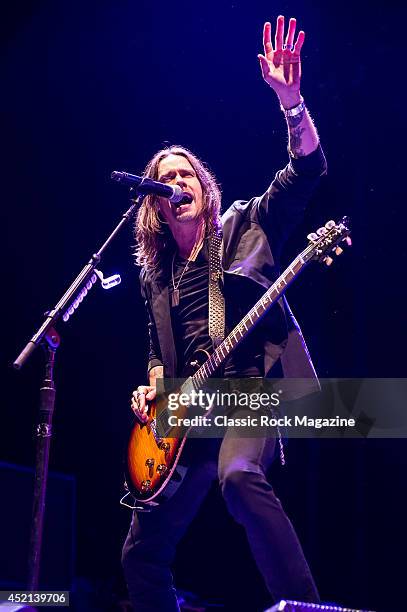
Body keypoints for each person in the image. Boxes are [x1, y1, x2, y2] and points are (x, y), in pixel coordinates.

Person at [122, 15, 327, 611]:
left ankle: (303, 605)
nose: (175, 182)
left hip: (249, 388)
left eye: (185, 174)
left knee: (238, 478)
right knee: (141, 552)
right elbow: (161, 358)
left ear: (204, 191)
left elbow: (306, 171)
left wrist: (291, 103)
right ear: (153, 203)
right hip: (187, 416)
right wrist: (152, 390)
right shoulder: (155, 277)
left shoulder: (244, 226)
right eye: (164, 179)